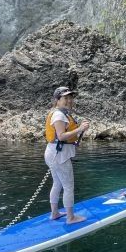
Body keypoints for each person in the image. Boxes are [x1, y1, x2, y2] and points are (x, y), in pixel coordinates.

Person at [44, 86, 90, 224]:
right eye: (65, 98)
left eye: (71, 98)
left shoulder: (61, 113)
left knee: (57, 183)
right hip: (59, 156)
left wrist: (79, 130)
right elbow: (62, 136)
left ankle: (55, 213)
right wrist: (80, 129)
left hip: (53, 153)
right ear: (57, 100)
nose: (69, 100)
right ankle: (70, 217)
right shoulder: (59, 115)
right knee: (68, 186)